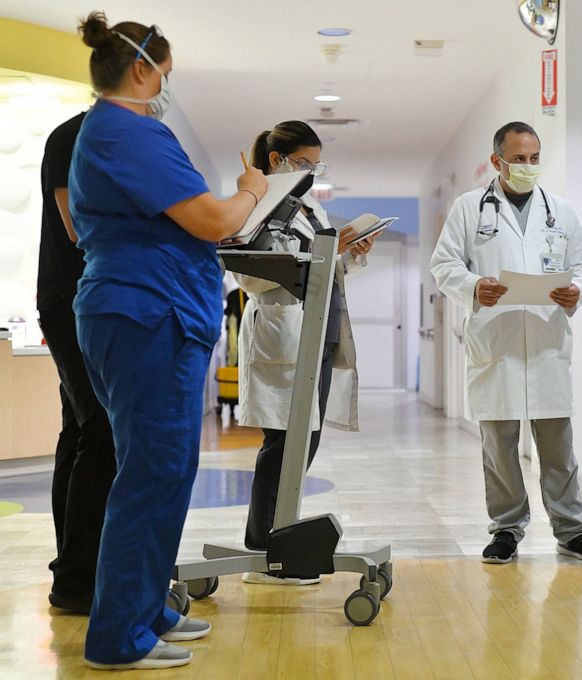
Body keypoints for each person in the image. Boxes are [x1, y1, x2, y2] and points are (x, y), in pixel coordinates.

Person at [70, 13, 268, 669]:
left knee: (166, 470)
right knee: (151, 474)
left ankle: (147, 608)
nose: (165, 88)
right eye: (164, 76)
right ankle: (116, 638)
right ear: (140, 71)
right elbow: (211, 220)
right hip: (144, 317)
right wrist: (250, 192)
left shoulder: (118, 132)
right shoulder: (127, 130)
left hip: (150, 313)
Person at [430, 121, 582, 564]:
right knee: (499, 449)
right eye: (519, 159)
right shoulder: (469, 208)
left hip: (547, 342)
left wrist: (578, 291)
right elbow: (444, 264)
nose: (528, 167)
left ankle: (572, 530)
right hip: (497, 343)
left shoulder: (561, 211)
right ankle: (506, 529)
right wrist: (473, 286)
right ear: (497, 161)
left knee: (558, 449)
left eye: (534, 159)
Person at [235, 121, 376, 583]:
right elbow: (250, 275)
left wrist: (350, 252)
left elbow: (323, 267)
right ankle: (264, 549)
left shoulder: (310, 207)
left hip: (319, 331)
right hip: (284, 332)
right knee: (282, 444)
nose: (311, 173)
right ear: (276, 161)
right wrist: (305, 263)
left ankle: (280, 539)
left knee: (305, 442)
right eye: (302, 164)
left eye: (317, 165)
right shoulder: (255, 204)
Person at [36, 111, 117, 616]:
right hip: (73, 299)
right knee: (101, 430)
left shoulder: (105, 135)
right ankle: (77, 579)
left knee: (82, 430)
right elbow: (77, 225)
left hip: (89, 298)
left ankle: (74, 566)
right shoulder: (73, 135)